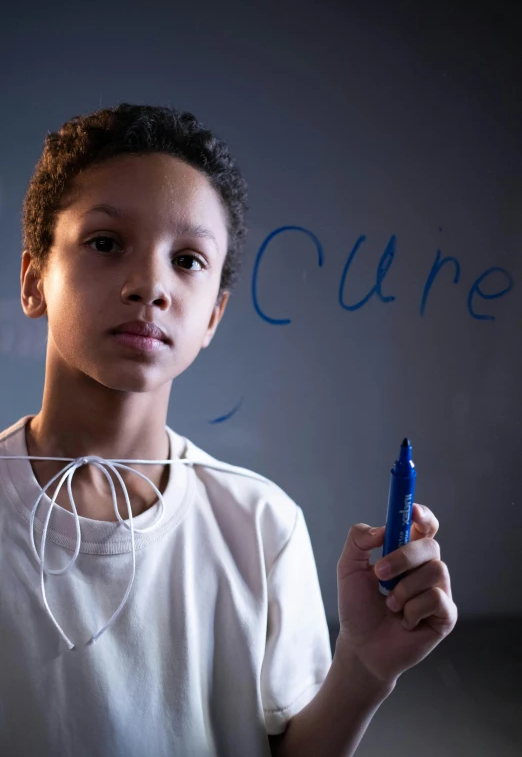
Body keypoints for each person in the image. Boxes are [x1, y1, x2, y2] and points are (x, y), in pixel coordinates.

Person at [0, 103, 457, 757]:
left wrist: (363, 666)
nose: (150, 284)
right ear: (33, 279)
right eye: (105, 242)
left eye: (186, 259)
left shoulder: (261, 524)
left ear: (212, 316)